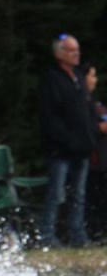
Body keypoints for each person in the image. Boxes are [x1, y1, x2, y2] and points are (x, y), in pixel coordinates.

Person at [37, 34, 96, 248]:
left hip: (82, 148)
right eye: (71, 50)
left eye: (77, 49)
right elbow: (50, 117)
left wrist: (89, 137)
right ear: (59, 53)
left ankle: (77, 235)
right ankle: (47, 235)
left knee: (78, 196)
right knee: (56, 194)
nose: (76, 54)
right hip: (60, 150)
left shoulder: (79, 77)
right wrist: (65, 140)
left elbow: (86, 109)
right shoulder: (51, 79)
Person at [85, 63, 107, 242]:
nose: (95, 79)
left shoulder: (96, 103)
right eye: (92, 75)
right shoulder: (82, 102)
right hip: (94, 160)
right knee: (94, 198)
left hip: (103, 159)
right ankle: (95, 233)